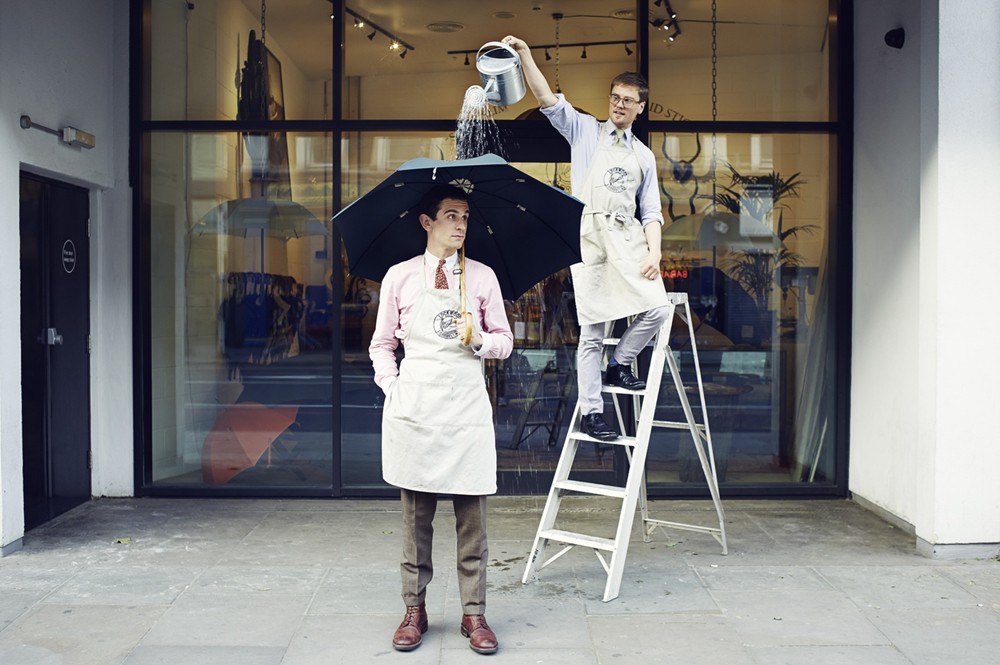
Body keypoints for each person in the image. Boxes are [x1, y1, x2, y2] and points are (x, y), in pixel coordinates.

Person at [503, 35, 671, 441]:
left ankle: (621, 362)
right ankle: (593, 413)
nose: (619, 105)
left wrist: (655, 252)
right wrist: (525, 55)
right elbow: (546, 99)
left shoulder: (644, 156)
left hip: (628, 238)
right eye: (615, 97)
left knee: (658, 309)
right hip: (591, 239)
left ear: (640, 107)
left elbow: (651, 212)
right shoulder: (584, 131)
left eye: (627, 100)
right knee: (592, 333)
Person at [368, 184, 513, 655]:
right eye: (451, 215)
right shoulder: (399, 277)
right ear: (426, 222)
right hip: (416, 410)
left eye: (465, 217)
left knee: (473, 523)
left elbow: (505, 341)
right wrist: (393, 387)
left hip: (466, 409)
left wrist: (481, 341)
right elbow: (382, 344)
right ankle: (414, 610)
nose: (460, 225)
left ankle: (474, 613)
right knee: (415, 522)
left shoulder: (483, 277)